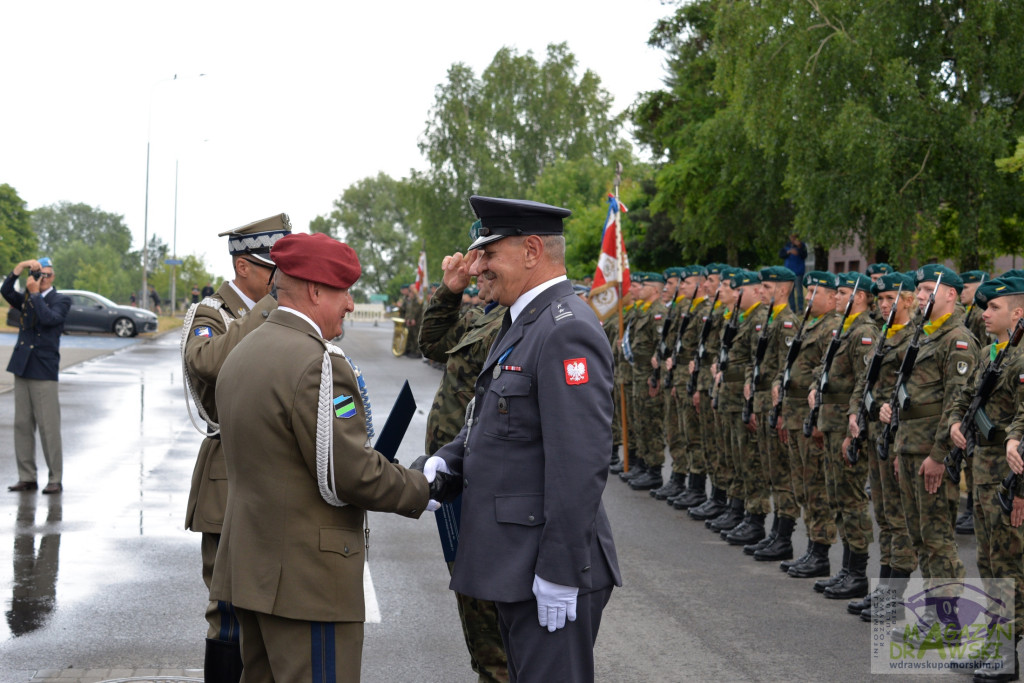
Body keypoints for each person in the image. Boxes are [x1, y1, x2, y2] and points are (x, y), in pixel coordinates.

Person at [210, 232, 433, 682]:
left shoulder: (243, 350)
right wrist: (422, 487)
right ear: (314, 290)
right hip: (307, 585)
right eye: (343, 291)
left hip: (252, 572)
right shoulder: (318, 364)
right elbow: (352, 474)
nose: (349, 304)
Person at [417, 195, 621, 682]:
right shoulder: (522, 321)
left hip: (545, 569)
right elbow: (494, 422)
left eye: (489, 254)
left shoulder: (565, 330)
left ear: (531, 250)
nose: (476, 267)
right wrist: (447, 461)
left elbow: (581, 463)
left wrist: (560, 571)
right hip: (515, 564)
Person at [180, 214, 291, 681]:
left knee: (270, 605)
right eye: (274, 270)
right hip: (228, 472)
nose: (283, 278)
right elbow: (206, 363)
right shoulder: (211, 314)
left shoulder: (281, 312)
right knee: (228, 609)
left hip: (278, 473)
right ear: (244, 266)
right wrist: (268, 307)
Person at [418, 224, 510, 683]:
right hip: (455, 478)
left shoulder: (516, 322)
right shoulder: (483, 315)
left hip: (481, 483)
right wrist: (450, 291)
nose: (477, 269)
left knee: (490, 610)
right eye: (476, 258)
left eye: (486, 258)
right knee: (471, 599)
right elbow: (431, 343)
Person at [878, 264, 977, 644]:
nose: (919, 296)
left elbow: (956, 404)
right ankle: (934, 618)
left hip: (931, 454)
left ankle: (948, 623)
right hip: (910, 448)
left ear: (950, 294)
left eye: (926, 290)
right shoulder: (924, 334)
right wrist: (895, 432)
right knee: (920, 538)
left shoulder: (957, 340)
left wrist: (939, 455)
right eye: (918, 290)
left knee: (937, 539)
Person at [952, 276, 1024, 681]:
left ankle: (1007, 655)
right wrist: (953, 423)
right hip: (982, 472)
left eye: (994, 307)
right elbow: (964, 396)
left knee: (1010, 566)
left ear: (1018, 313)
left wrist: (1021, 493)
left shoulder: (1022, 358)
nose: (984, 313)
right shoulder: (989, 352)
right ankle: (994, 642)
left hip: (1010, 477)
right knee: (989, 562)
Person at [2, 257, 71, 494]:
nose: (43, 279)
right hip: (23, 366)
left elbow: (49, 319)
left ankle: (55, 478)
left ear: (53, 277)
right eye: (39, 274)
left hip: (43, 369)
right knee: (22, 425)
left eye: (47, 275)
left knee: (48, 427)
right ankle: (27, 477)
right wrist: (19, 268)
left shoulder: (60, 300)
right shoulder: (28, 297)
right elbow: (5, 291)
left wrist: (34, 295)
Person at [779, 234, 808, 310]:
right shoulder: (787, 245)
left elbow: (804, 255)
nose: (792, 238)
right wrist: (788, 252)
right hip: (788, 272)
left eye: (794, 237)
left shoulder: (802, 245)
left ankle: (800, 309)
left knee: (799, 291)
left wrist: (799, 247)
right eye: (791, 236)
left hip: (798, 272)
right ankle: (792, 309)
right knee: (790, 292)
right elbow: (781, 255)